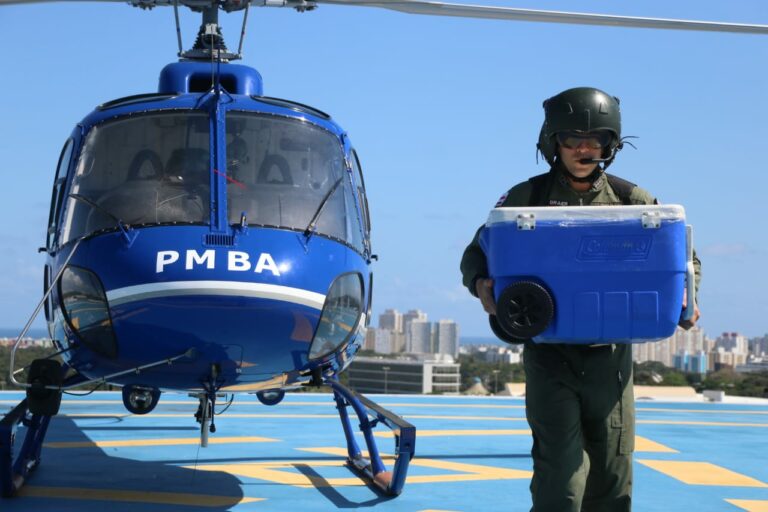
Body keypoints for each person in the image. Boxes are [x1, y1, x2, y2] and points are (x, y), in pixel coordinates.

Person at [460, 87, 701, 511]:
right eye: (573, 139)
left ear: (612, 145)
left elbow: (682, 254)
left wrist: (687, 292)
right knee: (562, 479)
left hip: (610, 360)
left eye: (597, 140)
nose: (585, 148)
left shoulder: (634, 201)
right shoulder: (525, 198)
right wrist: (480, 282)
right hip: (549, 356)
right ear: (554, 142)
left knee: (612, 474)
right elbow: (478, 250)